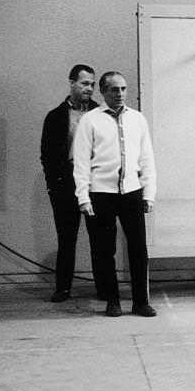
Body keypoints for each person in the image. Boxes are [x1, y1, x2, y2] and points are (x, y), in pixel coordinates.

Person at [72, 72, 158, 318]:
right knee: (104, 250)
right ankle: (113, 301)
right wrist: (83, 197)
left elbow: (147, 158)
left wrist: (149, 193)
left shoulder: (138, 119)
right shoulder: (90, 121)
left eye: (123, 89)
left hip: (131, 192)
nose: (119, 94)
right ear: (103, 92)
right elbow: (81, 163)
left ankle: (141, 302)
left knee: (138, 249)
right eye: (113, 90)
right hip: (101, 194)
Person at [40, 64, 103, 302]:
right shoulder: (55, 116)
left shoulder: (100, 113)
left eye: (92, 84)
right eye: (84, 83)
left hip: (95, 183)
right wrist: (52, 185)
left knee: (100, 239)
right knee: (67, 239)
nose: (89, 88)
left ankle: (104, 288)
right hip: (65, 184)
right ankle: (63, 288)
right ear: (72, 83)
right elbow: (46, 155)